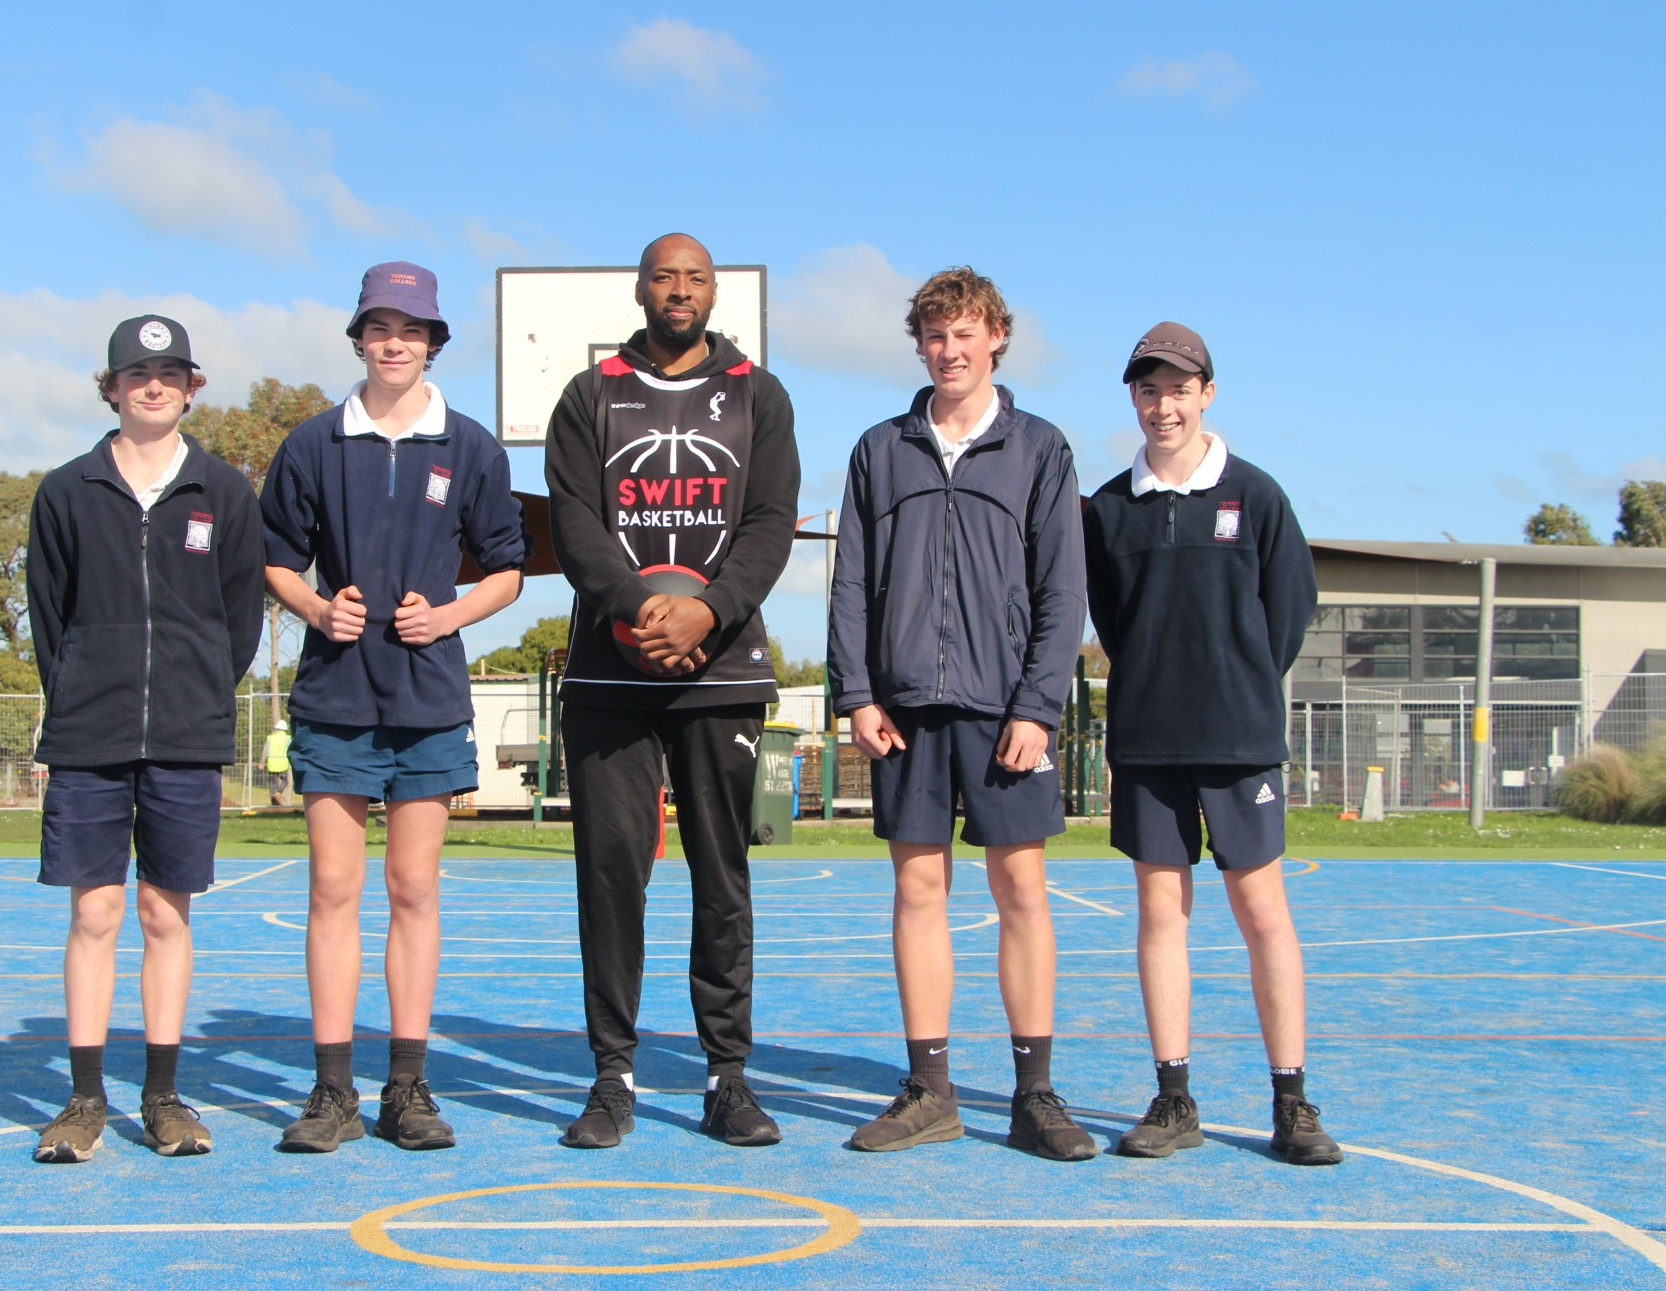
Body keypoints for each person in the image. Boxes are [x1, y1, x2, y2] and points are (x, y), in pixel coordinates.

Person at [826, 267, 1096, 1159]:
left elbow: (1063, 590)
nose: (949, 350)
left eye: (965, 334)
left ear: (998, 338)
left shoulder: (1041, 448)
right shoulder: (880, 448)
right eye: (935, 336)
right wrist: (856, 692)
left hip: (1004, 709)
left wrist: (1038, 707)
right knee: (918, 890)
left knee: (1021, 891)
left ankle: (1034, 1092)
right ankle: (930, 1088)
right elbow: (852, 584)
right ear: (920, 345)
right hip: (903, 708)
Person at [261, 262, 528, 1153]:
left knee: (413, 889)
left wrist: (448, 612)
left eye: (411, 329)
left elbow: (506, 568)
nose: (395, 342)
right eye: (381, 326)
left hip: (427, 695)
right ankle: (332, 1090)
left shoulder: (474, 446)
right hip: (336, 694)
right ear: (360, 336)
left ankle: (406, 1086)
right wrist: (313, 605)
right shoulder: (310, 444)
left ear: (433, 341)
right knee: (334, 889)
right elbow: (273, 558)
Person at [545, 233, 800, 1148]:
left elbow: (771, 521)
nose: (679, 289)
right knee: (612, 879)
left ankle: (726, 1077)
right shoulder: (591, 394)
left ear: (714, 291)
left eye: (694, 277)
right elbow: (575, 521)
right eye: (665, 275)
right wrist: (642, 608)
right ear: (643, 288)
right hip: (613, 674)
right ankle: (612, 1075)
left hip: (721, 671)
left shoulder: (758, 396)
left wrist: (711, 612)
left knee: (720, 880)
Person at [1081, 322, 1342, 1165]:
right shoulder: (1107, 507)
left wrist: (1237, 683)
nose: (1164, 404)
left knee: (1263, 912)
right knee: (1162, 913)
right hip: (1150, 742)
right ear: (1134, 398)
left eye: (1179, 388)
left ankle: (1292, 1099)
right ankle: (1173, 1095)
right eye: (1149, 389)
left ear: (1208, 393)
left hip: (1240, 740)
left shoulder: (1257, 496)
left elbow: (1290, 609)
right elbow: (1115, 622)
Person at [26, 314, 266, 1162]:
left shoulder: (225, 492)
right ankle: (84, 1097)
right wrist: (86, 693)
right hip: (88, 734)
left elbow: (241, 617)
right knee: (94, 912)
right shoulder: (65, 489)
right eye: (137, 373)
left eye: (169, 372)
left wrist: (195, 688)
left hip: (186, 735)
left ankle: (163, 1095)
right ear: (112, 387)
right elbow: (46, 613)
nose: (153, 384)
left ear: (192, 386)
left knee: (166, 913)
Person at [265, 718, 293, 808]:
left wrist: (261, 761)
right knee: (285, 781)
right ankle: (278, 793)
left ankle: (273, 797)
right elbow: (291, 749)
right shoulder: (287, 738)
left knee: (273, 782)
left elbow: (265, 750)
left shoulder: (271, 738)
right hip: (282, 764)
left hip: (272, 764)